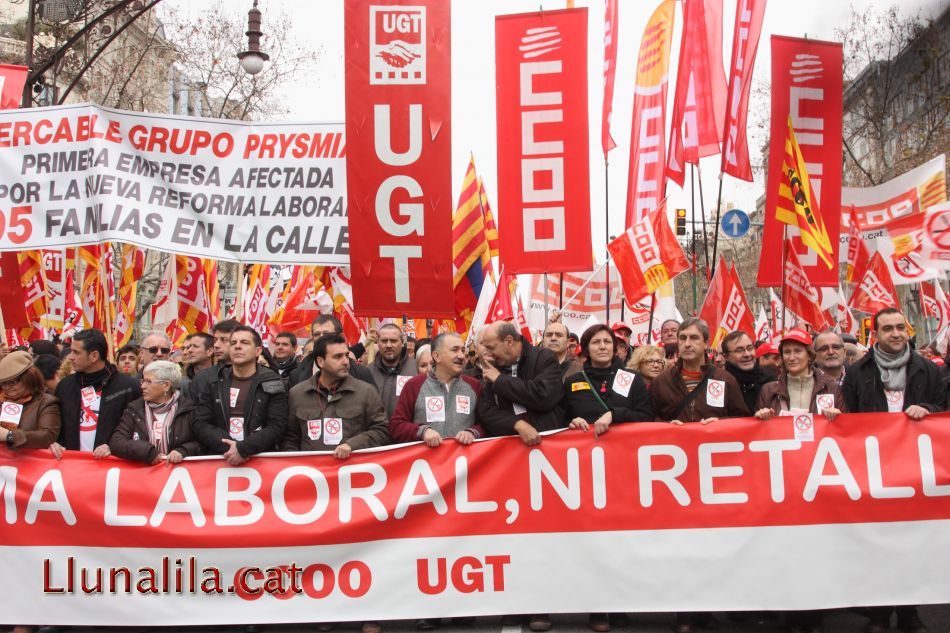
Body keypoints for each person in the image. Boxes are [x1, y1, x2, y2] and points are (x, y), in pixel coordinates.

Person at [842, 308, 945, 633]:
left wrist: (927, 410)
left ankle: (909, 613)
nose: (896, 333)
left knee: (910, 544)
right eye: (888, 329)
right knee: (877, 545)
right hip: (873, 471)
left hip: (914, 472)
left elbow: (943, 409)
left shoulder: (928, 369)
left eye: (901, 327)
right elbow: (849, 416)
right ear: (876, 334)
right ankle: (879, 614)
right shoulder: (858, 371)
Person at [192, 325, 288, 465]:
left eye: (244, 342)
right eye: (233, 343)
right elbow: (200, 423)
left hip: (260, 461)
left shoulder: (272, 380)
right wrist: (231, 448)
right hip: (220, 460)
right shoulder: (213, 381)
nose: (237, 347)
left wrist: (244, 448)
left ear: (258, 351)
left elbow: (277, 424)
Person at [283, 333, 388, 458]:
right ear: (320, 362)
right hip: (312, 473)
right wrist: (294, 463)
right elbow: (290, 437)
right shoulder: (298, 393)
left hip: (351, 472)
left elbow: (383, 431)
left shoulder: (366, 392)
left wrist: (352, 445)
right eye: (338, 357)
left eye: (347, 355)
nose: (345, 362)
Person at [50, 328, 141, 460]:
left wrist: (116, 447)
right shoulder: (65, 386)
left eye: (76, 352)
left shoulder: (129, 387)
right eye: (71, 351)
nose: (70, 357)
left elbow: (139, 430)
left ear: (94, 356)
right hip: (73, 468)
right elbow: (59, 428)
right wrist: (56, 443)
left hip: (112, 470)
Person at [389, 332, 484, 448]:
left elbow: (486, 425)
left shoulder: (474, 386)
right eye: (455, 350)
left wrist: (473, 432)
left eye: (463, 350)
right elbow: (396, 426)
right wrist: (422, 432)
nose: (461, 356)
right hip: (426, 464)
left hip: (462, 463)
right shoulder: (414, 385)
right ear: (437, 356)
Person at [651, 318, 750, 427]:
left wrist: (721, 423)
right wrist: (666, 426)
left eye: (694, 338)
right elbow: (648, 420)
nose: (687, 344)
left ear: (706, 343)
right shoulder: (661, 381)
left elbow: (742, 419)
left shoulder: (725, 379)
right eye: (683, 338)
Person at [564, 324, 652, 436]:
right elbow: (563, 420)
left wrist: (614, 414)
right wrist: (572, 423)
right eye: (596, 342)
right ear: (586, 349)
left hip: (626, 449)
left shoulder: (633, 378)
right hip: (588, 450)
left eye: (607, 342)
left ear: (613, 347)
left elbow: (646, 417)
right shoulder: (572, 382)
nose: (602, 346)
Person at [110, 360, 201, 464]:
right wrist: (148, 452)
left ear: (166, 385)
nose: (142, 386)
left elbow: (202, 442)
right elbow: (116, 442)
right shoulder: (134, 409)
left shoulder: (189, 409)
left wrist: (183, 451)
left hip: (178, 476)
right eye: (142, 381)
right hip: (143, 476)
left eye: (148, 382)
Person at [755, 328, 844, 421]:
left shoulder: (831, 388)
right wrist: (759, 417)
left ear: (809, 355)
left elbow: (846, 429)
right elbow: (758, 432)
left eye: (798, 351)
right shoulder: (768, 391)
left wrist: (838, 417)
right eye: (787, 352)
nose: (792, 357)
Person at [289, 315, 376, 389]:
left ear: (340, 336)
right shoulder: (296, 375)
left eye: (327, 334)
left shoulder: (362, 374)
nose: (321, 338)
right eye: (317, 334)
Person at [0, 351, 61, 451]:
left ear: (29, 378)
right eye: (3, 383)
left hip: (29, 465)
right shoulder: (2, 400)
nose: (6, 387)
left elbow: (47, 436)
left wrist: (9, 435)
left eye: (12, 382)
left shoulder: (46, 402)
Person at [368, 323, 418, 417]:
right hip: (376, 430)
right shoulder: (367, 372)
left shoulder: (417, 368)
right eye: (384, 341)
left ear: (402, 342)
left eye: (393, 341)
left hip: (407, 430)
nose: (388, 345)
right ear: (378, 343)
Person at [721, 331, 774, 414]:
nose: (747, 354)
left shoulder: (771, 381)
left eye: (750, 348)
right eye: (739, 350)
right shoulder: (720, 384)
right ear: (726, 357)